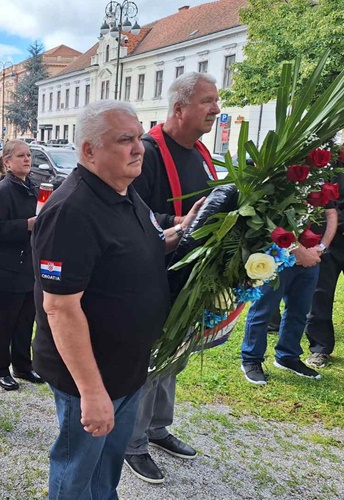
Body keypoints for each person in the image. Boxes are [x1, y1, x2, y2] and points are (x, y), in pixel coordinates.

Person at [32, 100, 202, 500]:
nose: (139, 147)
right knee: (77, 470)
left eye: (139, 137)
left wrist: (189, 228)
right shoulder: (71, 210)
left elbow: (150, 246)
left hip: (128, 366)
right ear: (89, 150)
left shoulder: (125, 194)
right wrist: (92, 393)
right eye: (124, 140)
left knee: (107, 465)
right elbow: (60, 307)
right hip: (91, 374)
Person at [125, 72, 220, 483]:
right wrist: (181, 222)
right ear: (179, 109)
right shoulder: (147, 151)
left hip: (189, 275)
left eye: (216, 101)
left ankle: (158, 428)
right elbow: (133, 211)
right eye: (207, 102)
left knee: (175, 353)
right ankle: (132, 443)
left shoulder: (200, 151)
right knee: (148, 357)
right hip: (153, 274)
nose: (216, 109)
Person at [241, 215, 334, 382]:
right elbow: (270, 220)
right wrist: (299, 251)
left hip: (310, 257)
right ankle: (251, 359)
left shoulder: (317, 188)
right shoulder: (277, 187)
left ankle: (288, 356)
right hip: (277, 254)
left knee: (300, 310)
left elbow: (331, 212)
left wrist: (321, 247)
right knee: (263, 309)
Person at [0, 140, 43, 391]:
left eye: (29, 155)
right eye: (21, 156)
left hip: (28, 266)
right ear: (7, 162)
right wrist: (26, 225)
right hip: (3, 269)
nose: (27, 159)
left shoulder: (35, 187)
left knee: (26, 319)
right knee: (4, 321)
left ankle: (23, 365)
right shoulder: (1, 191)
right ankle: (0, 369)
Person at [305, 160, 344, 369]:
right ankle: (320, 348)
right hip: (330, 240)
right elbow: (322, 197)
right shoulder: (331, 160)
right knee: (320, 296)